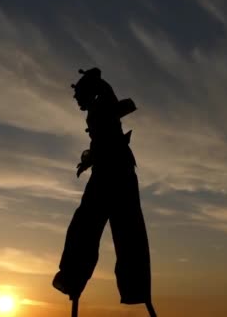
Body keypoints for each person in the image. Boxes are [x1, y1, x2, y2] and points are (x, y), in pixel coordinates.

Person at [53, 68, 156, 316]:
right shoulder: (96, 111)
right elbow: (102, 141)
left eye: (78, 97)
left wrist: (92, 77)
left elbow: (103, 87)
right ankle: (73, 279)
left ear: (89, 92)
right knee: (88, 229)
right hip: (108, 172)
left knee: (120, 233)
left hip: (115, 174)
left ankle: (133, 288)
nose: (77, 103)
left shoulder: (103, 101)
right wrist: (89, 160)